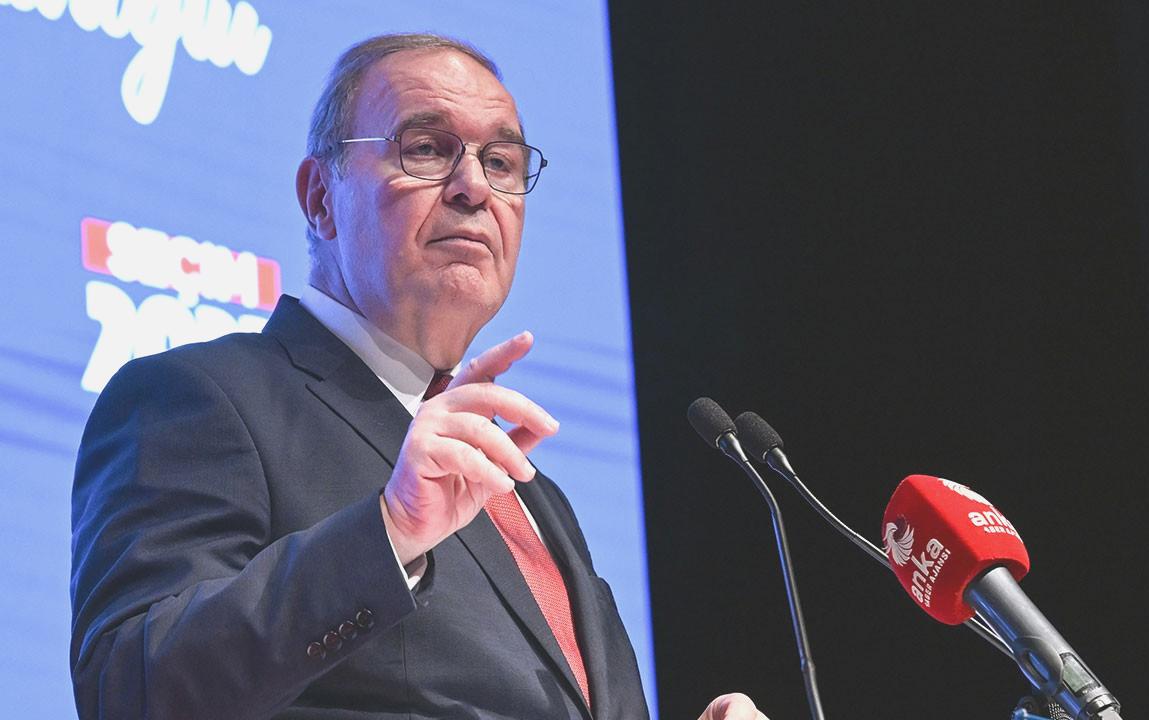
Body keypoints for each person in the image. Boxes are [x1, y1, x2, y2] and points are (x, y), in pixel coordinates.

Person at [70, 33, 768, 720]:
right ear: (320, 198)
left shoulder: (532, 494)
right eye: (427, 149)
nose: (475, 188)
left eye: (501, 161)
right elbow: (130, 690)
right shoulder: (201, 398)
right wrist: (389, 532)